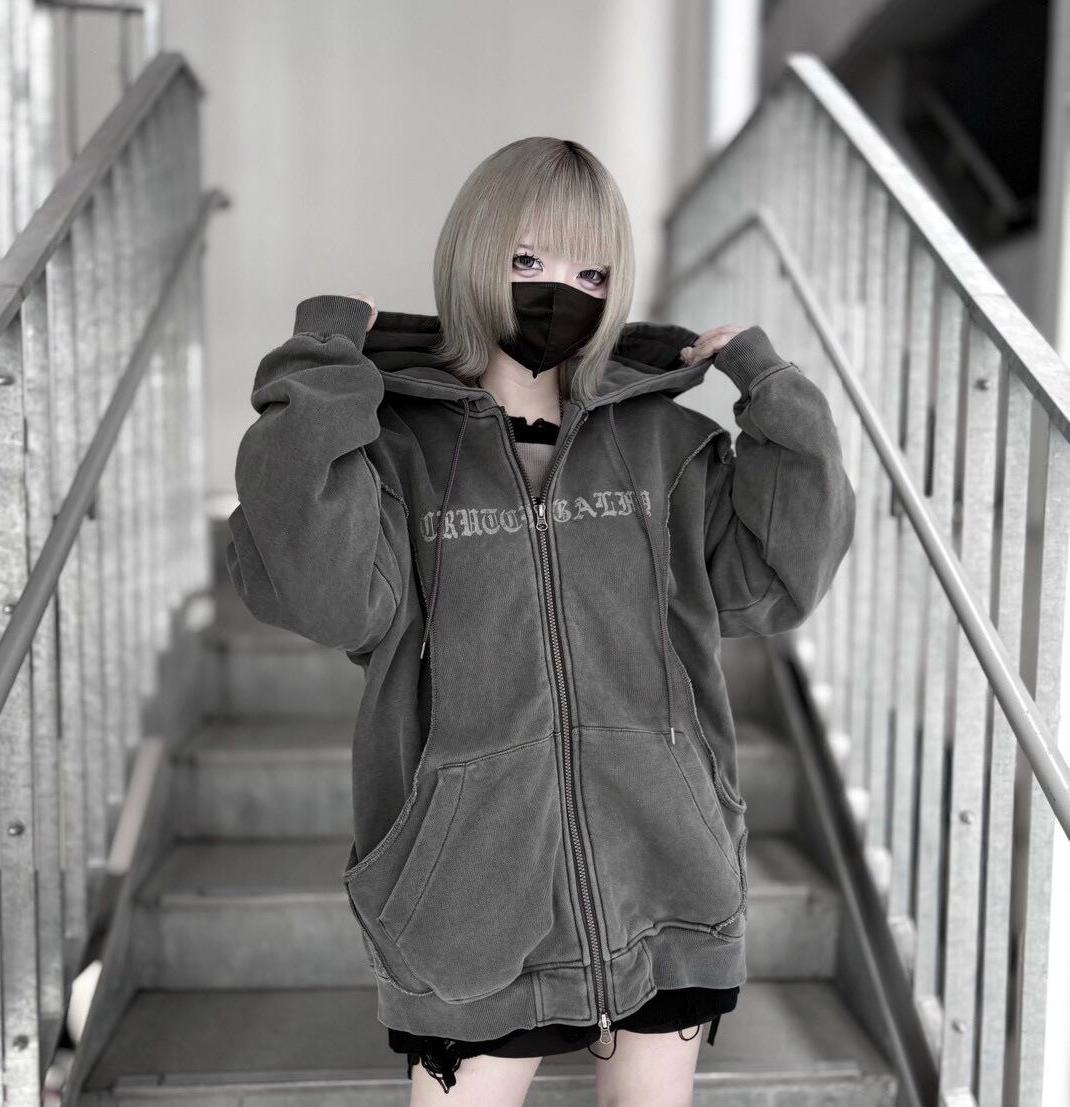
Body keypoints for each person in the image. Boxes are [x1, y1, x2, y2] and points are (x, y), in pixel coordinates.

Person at [226, 136, 856, 1106]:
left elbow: (777, 581)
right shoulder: (392, 453)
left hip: (668, 876)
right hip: (465, 903)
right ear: (473, 254)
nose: (559, 291)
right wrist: (320, 368)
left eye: (591, 272)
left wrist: (772, 393)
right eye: (527, 259)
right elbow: (324, 594)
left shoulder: (668, 444)